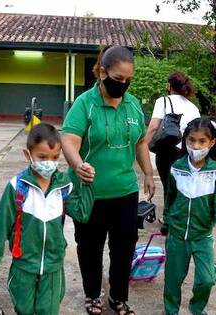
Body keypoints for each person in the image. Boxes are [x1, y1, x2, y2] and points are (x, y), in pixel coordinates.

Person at [61, 45, 155, 315]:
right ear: (102, 72)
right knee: (90, 248)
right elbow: (69, 139)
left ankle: (118, 297)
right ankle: (92, 294)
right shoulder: (85, 104)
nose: (123, 85)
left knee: (124, 250)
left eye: (128, 81)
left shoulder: (133, 104)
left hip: (125, 192)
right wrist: (78, 165)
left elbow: (140, 142)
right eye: (117, 79)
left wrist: (148, 173)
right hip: (90, 193)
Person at [0, 123, 94, 315]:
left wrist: (87, 183)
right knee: (23, 310)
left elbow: (82, 214)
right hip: (23, 267)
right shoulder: (17, 187)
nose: (49, 163)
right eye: (42, 157)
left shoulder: (63, 186)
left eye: (55, 157)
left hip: (53, 269)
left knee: (48, 311)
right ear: (28, 155)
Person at [161, 118, 216, 315]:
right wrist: (167, 224)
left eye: (202, 141)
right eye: (191, 140)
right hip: (177, 237)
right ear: (185, 140)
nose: (196, 146)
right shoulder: (176, 168)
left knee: (207, 279)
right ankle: (171, 311)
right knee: (172, 280)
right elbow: (169, 199)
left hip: (202, 238)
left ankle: (197, 309)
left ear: (212, 142)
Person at [145, 71, 201, 188]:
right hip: (188, 153)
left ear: (169, 86)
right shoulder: (193, 107)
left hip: (168, 152)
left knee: (168, 189)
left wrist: (142, 146)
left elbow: (153, 127)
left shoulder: (164, 101)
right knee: (182, 189)